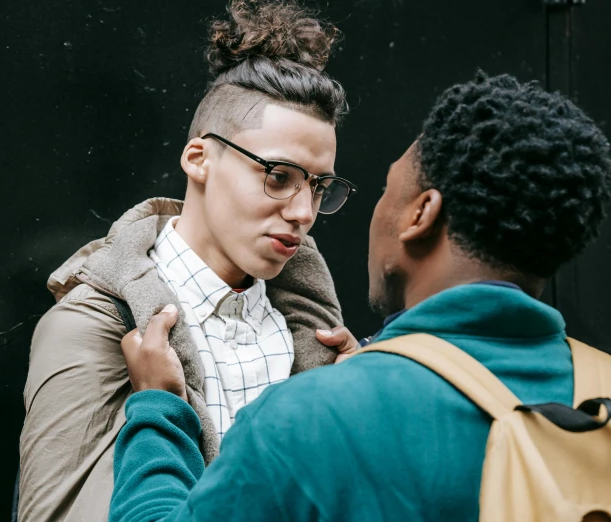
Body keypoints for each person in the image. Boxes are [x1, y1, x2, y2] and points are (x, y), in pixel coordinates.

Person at [110, 70, 611, 521]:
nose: (304, 214)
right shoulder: (601, 387)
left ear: (421, 214)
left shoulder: (305, 422)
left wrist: (158, 406)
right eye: (280, 178)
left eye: (389, 188)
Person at [17, 1, 356, 520]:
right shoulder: (94, 326)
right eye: (279, 176)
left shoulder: (312, 333)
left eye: (319, 187)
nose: (304, 211)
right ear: (199, 159)